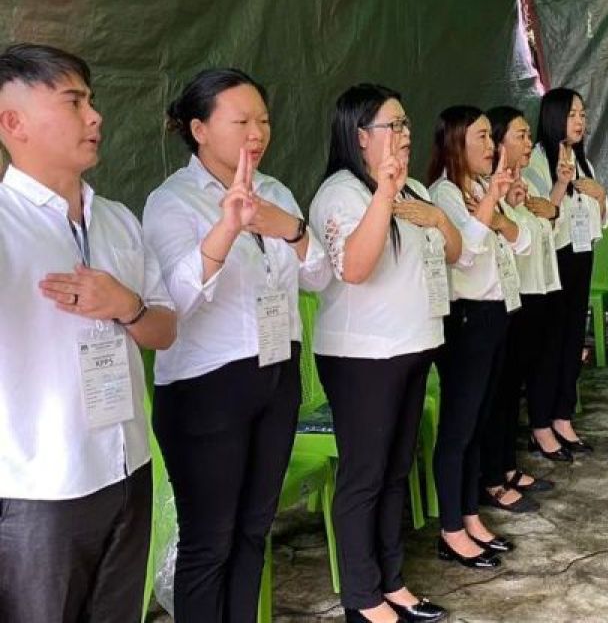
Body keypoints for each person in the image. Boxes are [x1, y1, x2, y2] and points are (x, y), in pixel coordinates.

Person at [144, 68, 331, 622]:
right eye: (242, 120)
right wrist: (226, 229)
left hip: (275, 372)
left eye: (264, 119)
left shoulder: (274, 192)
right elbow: (172, 305)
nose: (258, 132)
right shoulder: (171, 202)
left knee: (254, 529)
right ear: (199, 129)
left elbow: (318, 278)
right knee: (210, 539)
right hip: (206, 387)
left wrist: (289, 228)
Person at [0, 43, 177, 622]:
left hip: (129, 467)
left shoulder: (118, 219)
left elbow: (163, 331)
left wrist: (125, 305)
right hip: (41, 485)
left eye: (92, 100)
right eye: (74, 102)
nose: (95, 116)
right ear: (12, 123)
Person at [309, 85, 457, 623]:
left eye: (406, 124)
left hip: (412, 347)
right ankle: (361, 596)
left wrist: (426, 211)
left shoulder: (414, 186)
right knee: (364, 475)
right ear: (360, 136)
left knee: (396, 470)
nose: (404, 135)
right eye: (392, 125)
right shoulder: (340, 193)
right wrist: (384, 195)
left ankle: (392, 582)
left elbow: (451, 252)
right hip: (363, 358)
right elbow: (355, 267)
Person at [428, 105, 530, 569]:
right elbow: (464, 253)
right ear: (456, 144)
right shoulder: (444, 194)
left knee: (477, 423)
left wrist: (496, 208)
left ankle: (469, 515)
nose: (492, 147)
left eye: (492, 137)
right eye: (483, 137)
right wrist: (491, 206)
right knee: (458, 427)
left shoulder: (479, 190)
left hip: (495, 313)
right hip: (466, 318)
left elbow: (520, 239)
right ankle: (451, 527)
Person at [479, 106, 560, 513]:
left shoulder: (520, 183)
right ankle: (493, 475)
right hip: (502, 300)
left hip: (526, 293)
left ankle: (506, 466)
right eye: (520, 136)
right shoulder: (482, 188)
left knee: (511, 389)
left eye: (529, 136)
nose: (528, 144)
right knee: (500, 391)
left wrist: (526, 206)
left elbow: (531, 235)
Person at [523, 87, 608, 458]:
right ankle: (540, 424)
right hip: (551, 263)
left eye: (583, 114)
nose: (580, 121)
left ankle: (562, 416)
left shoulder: (582, 160)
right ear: (555, 116)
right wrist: (561, 186)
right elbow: (539, 215)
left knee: (573, 341)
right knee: (549, 344)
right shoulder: (536, 162)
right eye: (573, 114)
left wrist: (601, 195)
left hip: (581, 256)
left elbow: (600, 217)